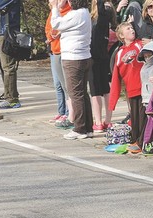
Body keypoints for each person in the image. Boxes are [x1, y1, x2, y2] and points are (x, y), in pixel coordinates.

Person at [50, 0, 94, 140]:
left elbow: (56, 23)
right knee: (82, 94)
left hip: (73, 58)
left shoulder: (75, 14)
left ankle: (80, 128)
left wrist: (54, 8)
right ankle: (88, 127)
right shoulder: (85, 13)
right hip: (84, 56)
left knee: (75, 94)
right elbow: (68, 27)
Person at [109, 22, 145, 153]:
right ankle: (135, 140)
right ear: (121, 36)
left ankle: (142, 142)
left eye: (132, 27)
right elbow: (115, 76)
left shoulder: (140, 45)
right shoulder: (119, 53)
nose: (132, 30)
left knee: (143, 116)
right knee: (134, 117)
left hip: (143, 88)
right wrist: (113, 100)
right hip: (130, 90)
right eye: (128, 29)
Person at [89, 0, 115, 132]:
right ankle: (107, 120)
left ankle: (99, 121)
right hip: (104, 56)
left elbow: (100, 8)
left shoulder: (98, 19)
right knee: (105, 89)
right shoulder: (107, 21)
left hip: (94, 56)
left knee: (96, 91)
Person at [0, 0, 21, 109]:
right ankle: (8, 93)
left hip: (8, 35)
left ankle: (12, 99)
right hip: (0, 32)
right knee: (2, 65)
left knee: (8, 67)